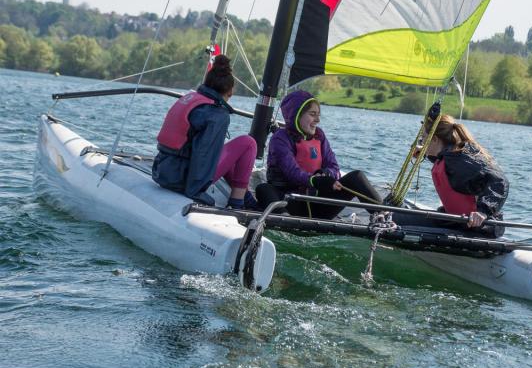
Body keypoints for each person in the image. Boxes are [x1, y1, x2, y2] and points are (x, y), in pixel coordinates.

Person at [152, 54, 257, 209]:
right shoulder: (216, 115)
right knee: (248, 143)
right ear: (229, 92)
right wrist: (196, 192)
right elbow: (204, 154)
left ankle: (246, 197)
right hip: (181, 180)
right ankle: (237, 203)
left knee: (228, 150)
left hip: (162, 171)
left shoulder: (191, 99)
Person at [256, 90, 382, 218]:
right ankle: (283, 219)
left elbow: (334, 167)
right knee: (263, 189)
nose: (317, 120)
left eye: (318, 115)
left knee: (357, 177)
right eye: (312, 114)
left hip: (317, 204)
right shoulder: (280, 138)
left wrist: (326, 175)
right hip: (290, 203)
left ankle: (384, 215)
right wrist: (315, 180)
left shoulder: (319, 136)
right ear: (296, 115)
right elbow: (292, 172)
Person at [398, 112, 509, 236]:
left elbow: (500, 181)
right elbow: (449, 170)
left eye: (423, 138)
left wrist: (483, 211)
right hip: (455, 221)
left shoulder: (461, 158)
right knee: (393, 217)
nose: (421, 142)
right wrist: (424, 153)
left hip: (477, 227)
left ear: (434, 139)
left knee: (393, 221)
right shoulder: (449, 156)